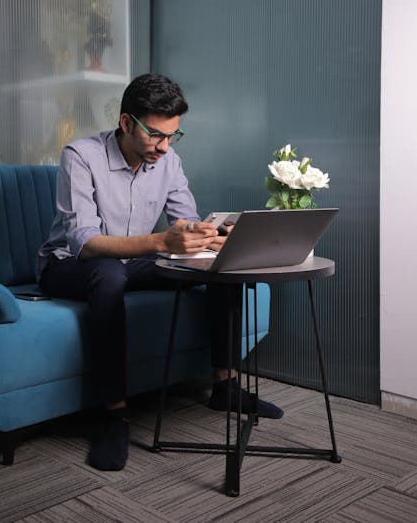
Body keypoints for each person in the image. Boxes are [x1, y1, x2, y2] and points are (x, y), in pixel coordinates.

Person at [37, 74, 282, 472]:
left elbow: (183, 221)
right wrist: (163, 243)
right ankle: (114, 416)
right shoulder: (80, 155)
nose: (164, 147)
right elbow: (85, 241)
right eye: (155, 135)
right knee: (108, 276)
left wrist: (210, 236)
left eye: (172, 136)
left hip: (132, 260)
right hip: (69, 264)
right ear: (126, 122)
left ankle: (225, 385)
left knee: (219, 265)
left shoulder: (168, 160)